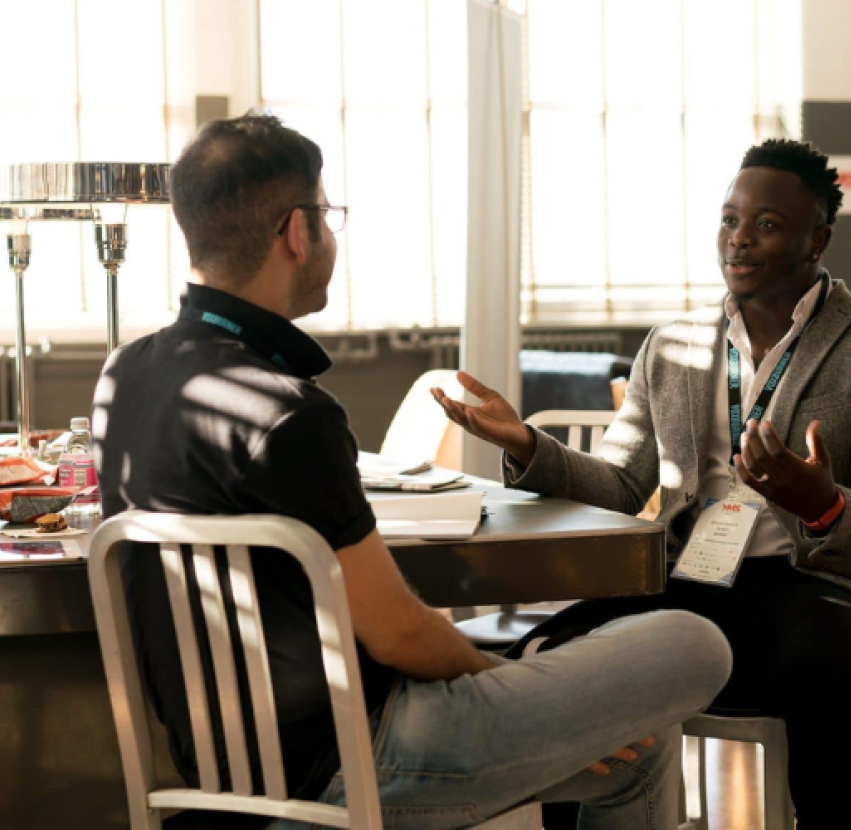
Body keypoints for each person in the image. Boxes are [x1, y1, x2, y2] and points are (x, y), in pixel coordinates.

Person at [92, 113, 731, 830]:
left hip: (223, 770)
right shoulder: (292, 414)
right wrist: (506, 684)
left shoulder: (126, 375)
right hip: (360, 763)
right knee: (692, 641)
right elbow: (398, 634)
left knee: (636, 750)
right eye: (328, 216)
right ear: (296, 232)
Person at [434, 139, 851, 829]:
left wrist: (819, 501)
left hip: (819, 583)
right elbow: (617, 483)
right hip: (686, 581)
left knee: (831, 663)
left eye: (766, 224)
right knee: (550, 658)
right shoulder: (669, 344)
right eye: (728, 220)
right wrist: (523, 444)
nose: (738, 240)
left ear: (816, 239)